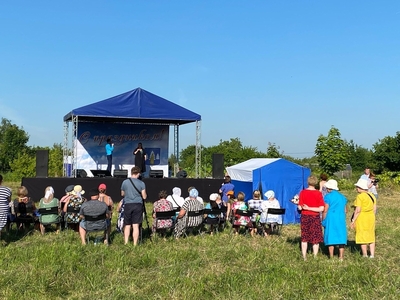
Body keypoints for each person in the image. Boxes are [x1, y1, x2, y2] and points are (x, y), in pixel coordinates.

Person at [298, 175, 325, 260]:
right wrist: (311, 208)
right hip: (315, 217)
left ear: (308, 182)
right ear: (316, 183)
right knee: (315, 237)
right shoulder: (318, 193)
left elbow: (300, 207)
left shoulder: (302, 192)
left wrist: (303, 207)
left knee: (304, 237)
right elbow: (322, 208)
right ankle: (315, 256)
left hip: (305, 216)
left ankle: (304, 257)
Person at [321, 179, 347, 260]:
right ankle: (341, 257)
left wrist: (323, 219)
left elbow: (325, 209)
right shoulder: (342, 197)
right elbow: (345, 210)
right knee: (341, 237)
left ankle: (331, 256)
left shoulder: (328, 196)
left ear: (329, 188)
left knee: (330, 237)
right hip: (340, 218)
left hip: (331, 218)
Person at [121, 166, 147, 245]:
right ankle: (135, 244)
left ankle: (126, 242)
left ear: (131, 173)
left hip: (128, 204)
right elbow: (144, 196)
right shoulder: (141, 183)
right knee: (136, 226)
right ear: (138, 174)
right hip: (138, 205)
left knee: (127, 225)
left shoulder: (125, 182)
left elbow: (122, 194)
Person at [351, 178, 377, 258]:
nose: (356, 189)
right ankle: (372, 255)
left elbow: (358, 210)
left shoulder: (360, 197)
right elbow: (374, 208)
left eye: (357, 187)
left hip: (362, 217)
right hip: (371, 216)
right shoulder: (372, 195)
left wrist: (353, 220)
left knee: (362, 235)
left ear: (360, 188)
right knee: (371, 235)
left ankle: (365, 255)